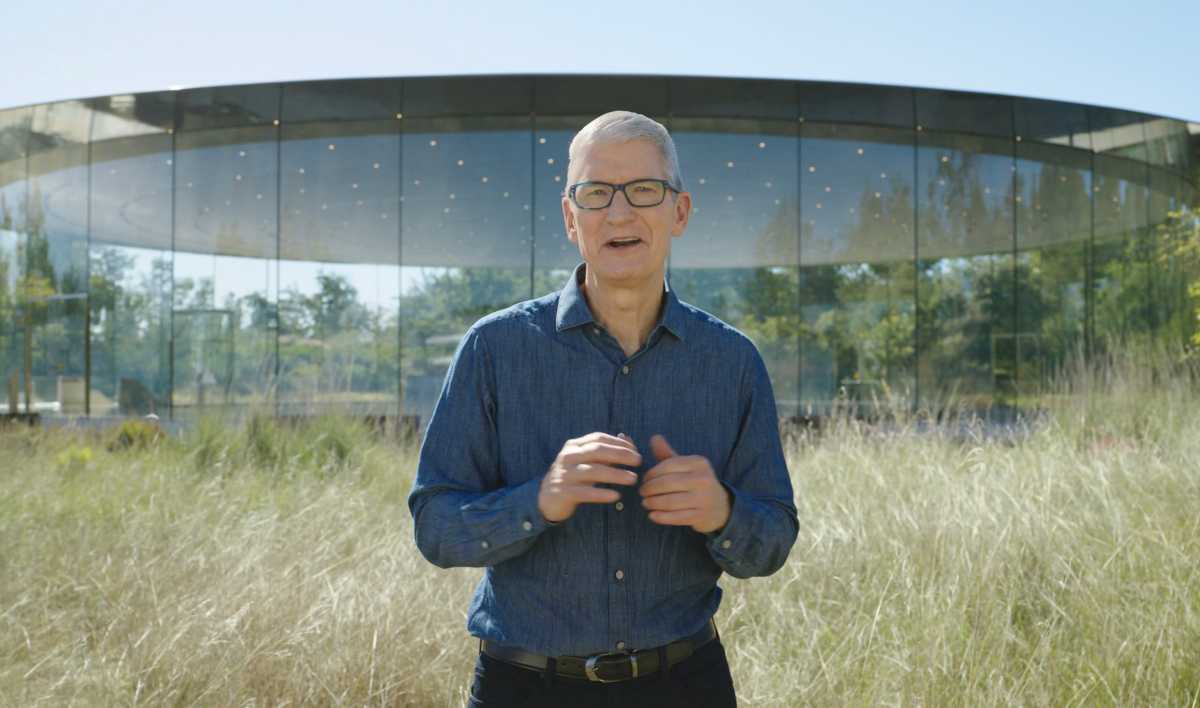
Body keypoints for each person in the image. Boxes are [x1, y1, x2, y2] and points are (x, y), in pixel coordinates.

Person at [408, 110, 798, 707]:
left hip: (686, 684)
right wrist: (537, 500)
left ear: (680, 212)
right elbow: (436, 529)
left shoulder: (733, 362)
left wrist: (723, 512)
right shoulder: (494, 349)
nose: (619, 212)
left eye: (644, 190)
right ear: (571, 217)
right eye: (595, 193)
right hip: (524, 687)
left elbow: (772, 540)